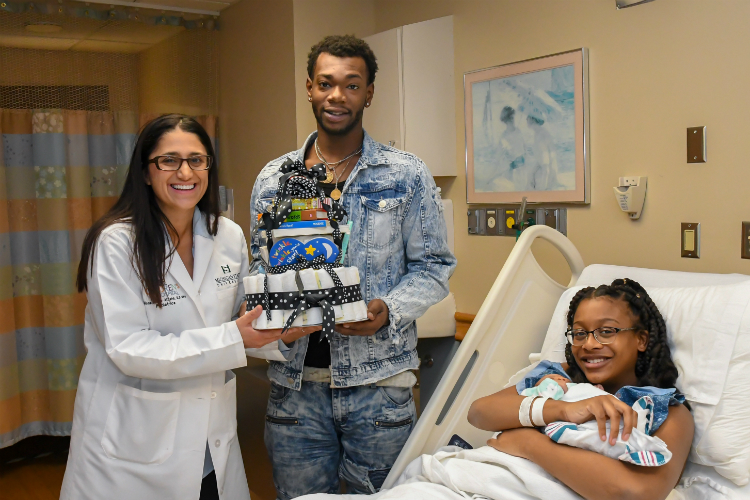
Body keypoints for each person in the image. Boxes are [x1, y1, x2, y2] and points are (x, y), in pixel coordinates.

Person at [249, 35, 456, 498]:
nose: (336, 96)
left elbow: (435, 266)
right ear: (309, 87)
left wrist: (389, 307)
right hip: (295, 390)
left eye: (350, 85)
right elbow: (259, 267)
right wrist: (272, 309)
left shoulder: (405, 174)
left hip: (378, 385)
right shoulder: (274, 178)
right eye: (326, 84)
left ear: (369, 92)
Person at [61, 115, 306, 500]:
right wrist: (234, 336)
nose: (185, 172)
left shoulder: (226, 234)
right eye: (169, 160)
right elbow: (129, 348)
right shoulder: (116, 244)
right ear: (145, 172)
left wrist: (281, 333)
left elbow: (238, 324)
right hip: (136, 444)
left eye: (196, 159)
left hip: (212, 437)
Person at [467, 278, 694, 499]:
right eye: (579, 333)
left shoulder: (665, 412)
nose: (589, 344)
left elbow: (636, 493)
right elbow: (479, 413)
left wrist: (529, 444)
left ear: (641, 339)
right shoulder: (560, 378)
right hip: (477, 479)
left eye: (606, 331)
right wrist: (563, 410)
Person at [497, 106, 527, 191]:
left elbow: (524, 148)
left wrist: (523, 158)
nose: (512, 120)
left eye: (513, 118)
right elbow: (501, 156)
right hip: (512, 170)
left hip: (522, 168)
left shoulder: (518, 132)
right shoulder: (504, 137)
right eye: (510, 118)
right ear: (506, 121)